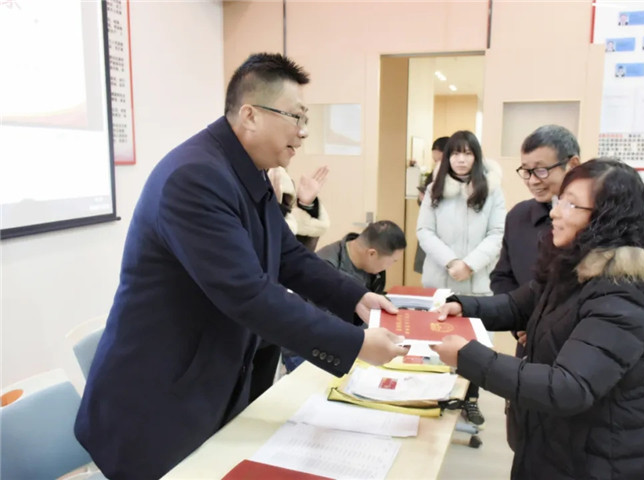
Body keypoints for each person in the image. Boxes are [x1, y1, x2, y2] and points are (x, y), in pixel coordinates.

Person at [74, 53, 408, 480]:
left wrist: (356, 297)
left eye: (305, 119)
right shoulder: (194, 177)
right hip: (158, 401)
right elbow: (248, 294)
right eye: (296, 117)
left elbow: (287, 255)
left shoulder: (246, 170)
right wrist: (355, 344)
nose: (303, 131)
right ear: (250, 115)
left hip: (210, 384)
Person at [432, 158, 644, 479]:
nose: (555, 212)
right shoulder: (576, 264)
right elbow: (519, 305)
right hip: (556, 442)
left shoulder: (623, 293)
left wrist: (468, 357)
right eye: (560, 200)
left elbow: (568, 387)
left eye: (572, 205)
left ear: (607, 218)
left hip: (600, 461)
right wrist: (464, 306)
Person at [490, 124, 580, 449]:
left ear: (572, 164)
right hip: (528, 349)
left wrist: (544, 323)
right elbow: (502, 277)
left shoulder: (594, 220)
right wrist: (519, 323)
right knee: (523, 438)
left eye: (541, 170)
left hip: (575, 353)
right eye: (525, 171)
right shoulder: (518, 217)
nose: (532, 180)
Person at [417, 129, 506, 425]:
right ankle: (436, 397)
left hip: (477, 284)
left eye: (468, 153)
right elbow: (424, 231)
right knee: (437, 343)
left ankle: (471, 399)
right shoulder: (435, 189)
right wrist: (451, 261)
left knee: (475, 348)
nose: (461, 159)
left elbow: (497, 233)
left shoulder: (491, 190)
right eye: (456, 153)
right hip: (440, 281)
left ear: (476, 157)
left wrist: (469, 264)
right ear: (448, 157)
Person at [248, 165, 331, 403]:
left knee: (261, 394)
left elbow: (296, 257)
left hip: (273, 321)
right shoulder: (248, 217)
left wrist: (306, 205)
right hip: (246, 317)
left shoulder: (288, 220)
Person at [282, 220, 407, 372]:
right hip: (308, 348)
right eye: (392, 261)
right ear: (372, 253)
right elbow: (324, 323)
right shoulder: (327, 266)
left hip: (348, 340)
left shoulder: (370, 265)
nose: (390, 266)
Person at [414, 136, 449, 273]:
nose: (437, 164)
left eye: (438, 159)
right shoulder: (432, 175)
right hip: (430, 227)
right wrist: (422, 199)